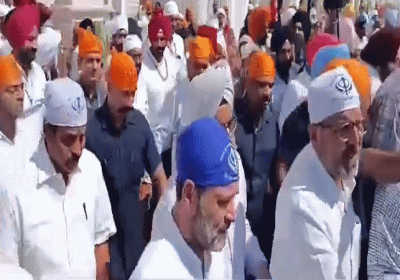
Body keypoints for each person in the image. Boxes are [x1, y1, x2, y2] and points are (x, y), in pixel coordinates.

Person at [0, 77, 116, 279]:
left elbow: (100, 243)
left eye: (82, 137)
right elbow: (6, 267)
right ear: (47, 132)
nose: (78, 150)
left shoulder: (91, 168)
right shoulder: (16, 189)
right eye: (68, 140)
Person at [270, 67, 363, 279]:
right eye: (344, 129)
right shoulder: (304, 209)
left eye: (359, 126)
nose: (356, 140)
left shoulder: (334, 164)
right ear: (314, 135)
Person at [86, 51, 167, 279]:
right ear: (109, 88)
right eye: (124, 94)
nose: (129, 101)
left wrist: (163, 225)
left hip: (136, 239)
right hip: (104, 243)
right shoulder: (90, 130)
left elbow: (160, 177)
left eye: (133, 94)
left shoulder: (140, 124)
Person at [130, 118, 239, 279]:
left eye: (233, 199)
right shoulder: (153, 273)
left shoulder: (214, 247)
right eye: (222, 202)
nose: (232, 215)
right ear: (189, 194)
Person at [234, 51, 278, 261]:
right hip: (234, 223)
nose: (267, 92)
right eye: (261, 85)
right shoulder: (231, 122)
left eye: (270, 85)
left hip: (265, 227)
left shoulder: (274, 122)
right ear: (247, 83)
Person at [135, 12, 183, 177]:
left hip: (173, 142)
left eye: (164, 40)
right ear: (150, 39)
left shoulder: (174, 62)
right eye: (157, 40)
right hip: (153, 145)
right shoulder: (143, 68)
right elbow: (140, 108)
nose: (160, 44)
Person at [76, 27, 107, 119]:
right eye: (90, 61)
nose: (95, 67)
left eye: (97, 61)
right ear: (79, 62)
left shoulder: (105, 95)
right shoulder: (73, 94)